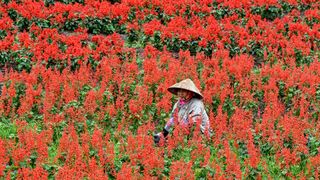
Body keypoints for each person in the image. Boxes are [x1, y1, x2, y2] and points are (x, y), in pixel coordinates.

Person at [154, 78, 212, 144]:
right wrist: (165, 134)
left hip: (200, 133)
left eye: (183, 91)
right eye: (179, 91)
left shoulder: (196, 103)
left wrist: (178, 130)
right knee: (172, 121)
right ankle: (163, 135)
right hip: (183, 130)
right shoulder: (179, 103)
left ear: (190, 92)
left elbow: (194, 123)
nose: (180, 93)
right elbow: (173, 119)